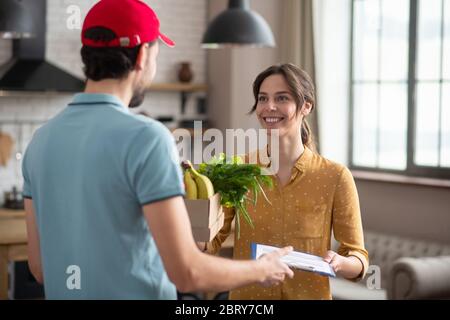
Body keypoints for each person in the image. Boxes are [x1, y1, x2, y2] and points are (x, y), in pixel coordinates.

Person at [22, 0, 293, 299]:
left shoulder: (40, 141)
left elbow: (40, 268)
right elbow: (188, 274)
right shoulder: (148, 138)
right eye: (156, 54)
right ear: (141, 56)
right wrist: (262, 268)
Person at [201, 63, 369, 300]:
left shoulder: (335, 176)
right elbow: (211, 242)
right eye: (262, 98)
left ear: (306, 106)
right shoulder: (237, 171)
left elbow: (358, 258)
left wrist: (341, 262)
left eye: (282, 98)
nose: (269, 107)